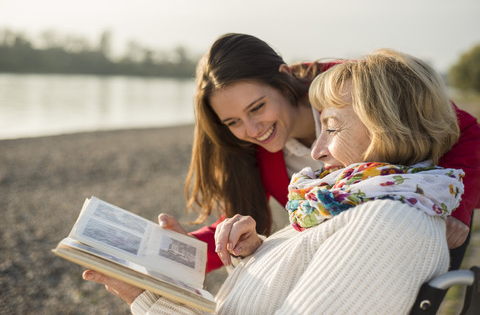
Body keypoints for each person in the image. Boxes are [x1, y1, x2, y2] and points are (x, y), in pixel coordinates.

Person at [83, 33, 479, 302]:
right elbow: (248, 220)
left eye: (257, 108)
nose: (252, 130)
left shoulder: (347, 87)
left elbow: (464, 129)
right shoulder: (255, 151)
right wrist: (171, 251)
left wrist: (455, 210)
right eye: (233, 122)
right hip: (330, 256)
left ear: (285, 79)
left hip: (410, 228)